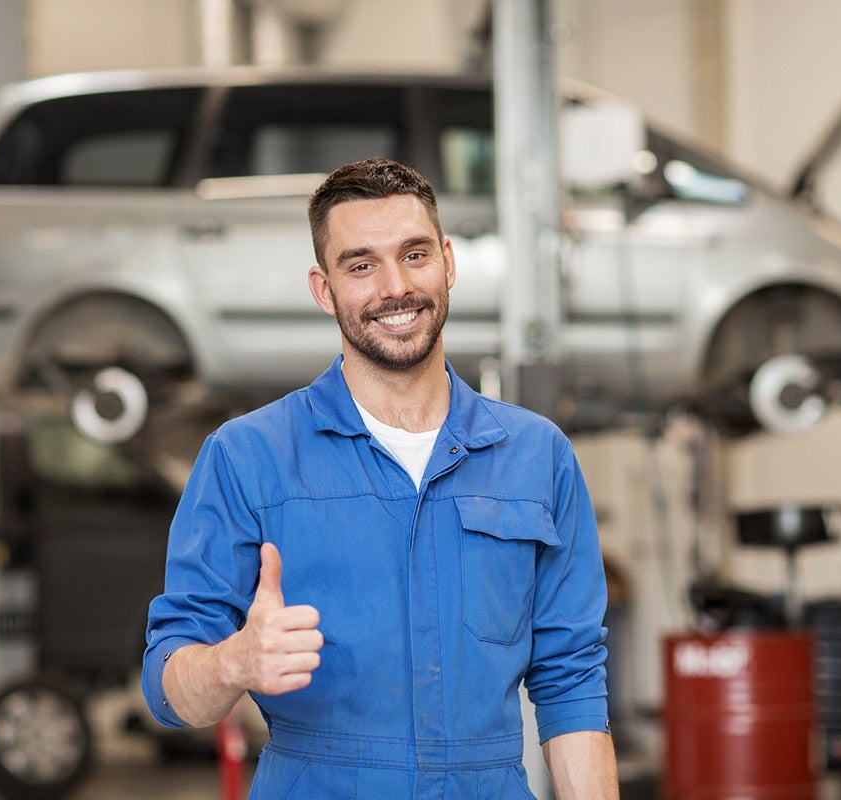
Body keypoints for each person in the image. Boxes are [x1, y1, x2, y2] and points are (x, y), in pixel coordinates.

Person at [142, 157, 620, 799]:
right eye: (361, 265)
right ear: (324, 289)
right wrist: (233, 662)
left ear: (448, 262)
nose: (394, 287)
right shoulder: (248, 457)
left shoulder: (538, 457)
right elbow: (171, 688)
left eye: (414, 254)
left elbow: (571, 683)